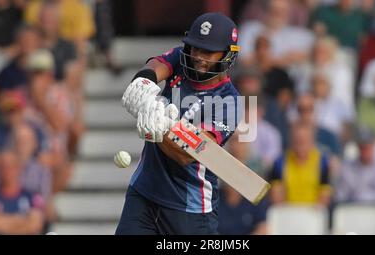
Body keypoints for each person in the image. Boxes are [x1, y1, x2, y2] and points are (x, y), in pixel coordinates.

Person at [116, 13, 241, 235]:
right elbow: (158, 64)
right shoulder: (183, 58)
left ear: (228, 55)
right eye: (195, 48)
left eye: (208, 51)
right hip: (144, 192)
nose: (198, 56)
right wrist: (144, 80)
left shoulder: (230, 102)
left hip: (189, 209)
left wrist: (162, 127)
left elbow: (189, 154)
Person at [335, 127, 375, 215]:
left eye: (367, 146)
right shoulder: (348, 167)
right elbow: (341, 197)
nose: (364, 150)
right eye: (362, 146)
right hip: (354, 213)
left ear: (374, 144)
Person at [0, 150, 45, 235]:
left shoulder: (32, 198)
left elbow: (34, 225)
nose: (7, 171)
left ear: (19, 168)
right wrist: (21, 221)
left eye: (11, 166)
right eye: (3, 166)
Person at [269, 120, 332, 207]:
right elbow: (276, 195)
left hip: (313, 214)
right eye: (297, 140)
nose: (301, 144)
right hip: (287, 213)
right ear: (291, 140)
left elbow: (325, 196)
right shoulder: (280, 162)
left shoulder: (322, 162)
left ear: (312, 141)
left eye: (304, 141)